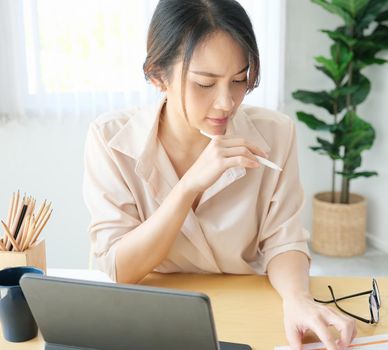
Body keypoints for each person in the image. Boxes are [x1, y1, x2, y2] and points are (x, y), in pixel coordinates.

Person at [83, 0, 357, 349]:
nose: (227, 102)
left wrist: (297, 298)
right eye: (204, 83)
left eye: (239, 80)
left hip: (248, 309)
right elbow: (121, 269)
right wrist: (188, 187)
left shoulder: (276, 134)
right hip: (152, 317)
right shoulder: (110, 140)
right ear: (157, 74)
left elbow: (283, 240)